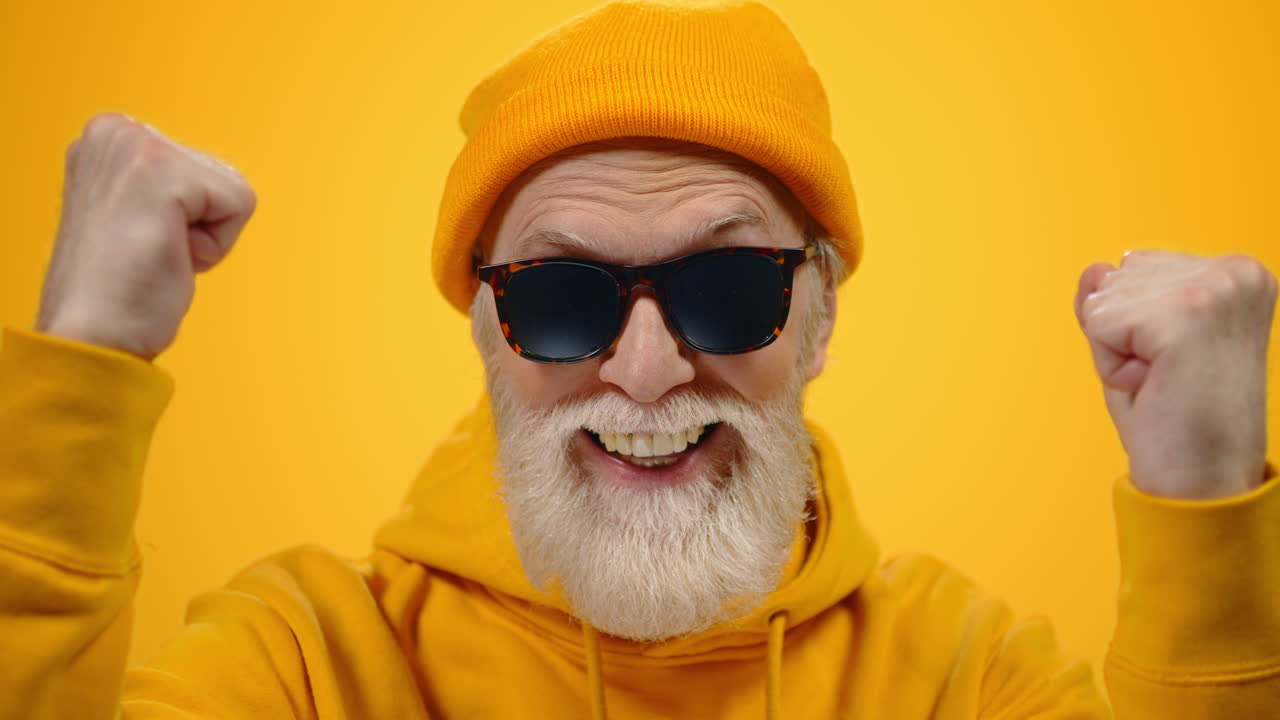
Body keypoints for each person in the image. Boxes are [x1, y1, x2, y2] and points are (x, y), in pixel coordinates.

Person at [2, 1, 1277, 718]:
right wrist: (82, 363)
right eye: (562, 299)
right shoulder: (307, 661)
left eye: (727, 286)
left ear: (821, 319)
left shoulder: (962, 673)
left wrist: (1204, 512)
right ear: (487, 332)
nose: (650, 369)